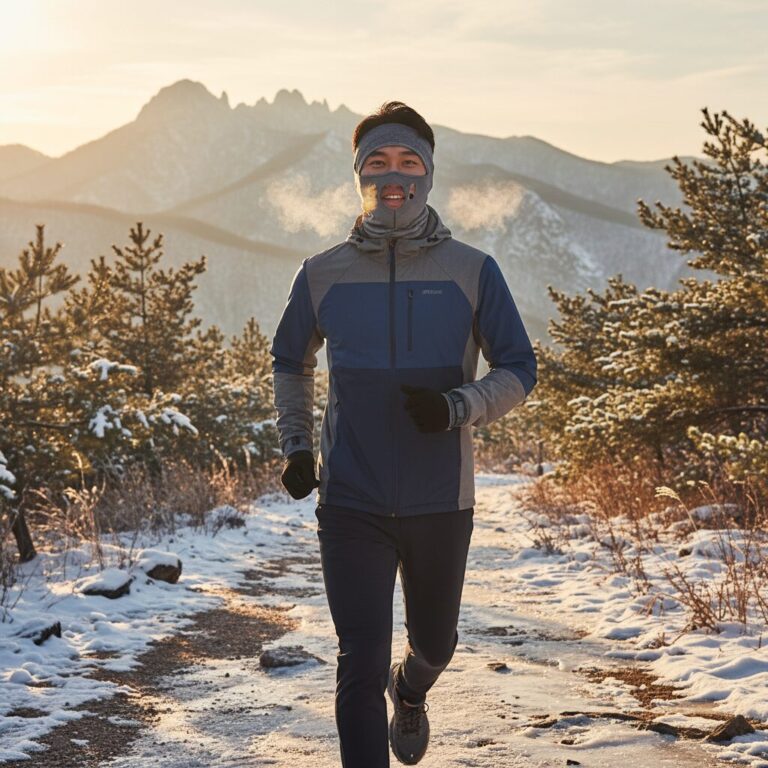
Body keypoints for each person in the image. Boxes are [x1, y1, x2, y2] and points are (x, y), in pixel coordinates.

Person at [269, 101, 537, 768]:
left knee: (435, 644)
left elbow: (519, 368)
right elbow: (289, 360)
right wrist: (297, 446)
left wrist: (458, 406)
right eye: (378, 162)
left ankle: (411, 691)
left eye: (409, 161)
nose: (395, 176)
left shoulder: (474, 270)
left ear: (428, 174)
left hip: (440, 499)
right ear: (359, 174)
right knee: (358, 660)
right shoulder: (322, 271)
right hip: (351, 499)